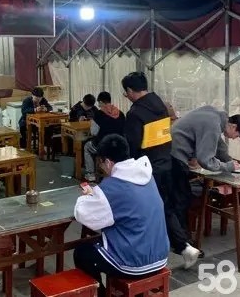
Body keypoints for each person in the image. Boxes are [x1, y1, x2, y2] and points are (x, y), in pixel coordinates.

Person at [74, 134, 169, 297]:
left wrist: (88, 196)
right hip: (160, 255)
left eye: (100, 163)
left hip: (132, 264)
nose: (102, 168)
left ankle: (102, 294)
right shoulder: (147, 175)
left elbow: (83, 214)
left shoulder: (112, 187)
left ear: (108, 162)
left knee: (82, 253)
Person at [121, 71, 199, 269]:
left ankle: (159, 252)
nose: (127, 96)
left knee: (149, 210)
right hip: (167, 164)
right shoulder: (161, 106)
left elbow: (132, 146)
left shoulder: (135, 113)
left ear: (130, 90)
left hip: (147, 170)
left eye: (126, 93)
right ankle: (183, 246)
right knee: (166, 207)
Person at [170, 106, 240, 238]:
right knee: (182, 198)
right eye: (237, 136)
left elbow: (219, 146)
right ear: (233, 126)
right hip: (175, 153)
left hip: (173, 148)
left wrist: (230, 161)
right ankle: (181, 240)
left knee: (180, 195)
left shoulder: (216, 116)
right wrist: (227, 166)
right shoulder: (214, 125)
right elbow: (205, 160)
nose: (234, 139)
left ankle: (179, 236)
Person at [83, 92, 125, 182]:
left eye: (99, 103)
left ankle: (90, 174)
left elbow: (94, 132)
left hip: (104, 146)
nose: (98, 106)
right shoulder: (120, 113)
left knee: (87, 146)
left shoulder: (98, 114)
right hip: (119, 145)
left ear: (101, 102)